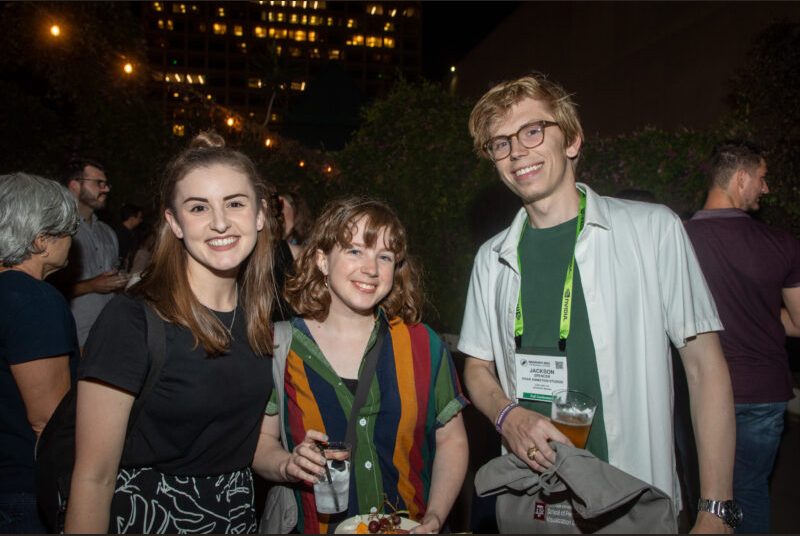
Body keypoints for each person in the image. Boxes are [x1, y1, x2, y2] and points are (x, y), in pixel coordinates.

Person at [458, 72, 738, 533]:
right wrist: (507, 416)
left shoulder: (652, 231)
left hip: (632, 499)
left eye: (532, 131)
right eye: (501, 143)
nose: (517, 152)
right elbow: (477, 367)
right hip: (532, 498)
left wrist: (716, 509)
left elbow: (705, 368)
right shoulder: (492, 258)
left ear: (572, 139)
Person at [65, 132, 280, 533]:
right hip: (151, 517)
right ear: (174, 223)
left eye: (235, 203)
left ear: (260, 215)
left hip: (236, 515)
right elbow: (93, 478)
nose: (219, 222)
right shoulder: (131, 321)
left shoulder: (258, 317)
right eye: (198, 207)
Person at [256, 197, 469, 534]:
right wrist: (287, 463)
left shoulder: (422, 344)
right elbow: (260, 444)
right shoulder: (280, 347)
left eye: (384, 256)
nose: (371, 269)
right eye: (355, 251)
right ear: (323, 260)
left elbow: (451, 442)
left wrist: (435, 518)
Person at [685, 141, 800, 534]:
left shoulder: (677, 241)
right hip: (763, 393)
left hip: (696, 393)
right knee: (749, 491)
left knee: (704, 496)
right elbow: (799, 323)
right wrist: (765, 315)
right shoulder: (781, 244)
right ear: (741, 178)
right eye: (763, 179)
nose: (765, 190)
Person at [0, 173, 80, 533]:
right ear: (40, 240)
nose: (72, 240)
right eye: (67, 230)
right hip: (22, 490)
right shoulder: (33, 301)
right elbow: (48, 422)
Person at [57, 157, 129, 347]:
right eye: (99, 183)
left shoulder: (107, 232)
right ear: (74, 186)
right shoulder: (58, 230)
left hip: (108, 335)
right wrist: (91, 286)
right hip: (71, 338)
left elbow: (112, 279)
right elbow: (46, 287)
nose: (106, 189)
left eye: (106, 183)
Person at [114, 203, 144, 271]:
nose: (141, 220)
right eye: (139, 217)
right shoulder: (120, 233)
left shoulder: (130, 233)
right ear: (132, 218)